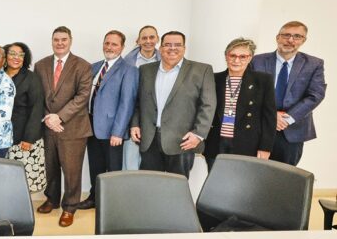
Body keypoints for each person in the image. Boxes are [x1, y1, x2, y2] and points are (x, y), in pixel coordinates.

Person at [130, 31, 216, 178]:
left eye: (177, 45)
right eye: (167, 45)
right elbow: (139, 102)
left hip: (181, 141)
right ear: (161, 48)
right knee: (149, 185)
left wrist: (199, 134)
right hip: (149, 140)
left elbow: (208, 105)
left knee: (177, 188)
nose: (172, 48)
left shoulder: (202, 70)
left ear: (184, 48)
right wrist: (135, 124)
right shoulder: (146, 70)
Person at [34, 26, 92, 228]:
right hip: (48, 127)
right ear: (52, 41)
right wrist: (48, 118)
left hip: (73, 128)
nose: (60, 43)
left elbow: (83, 96)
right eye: (56, 39)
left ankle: (69, 207)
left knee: (72, 170)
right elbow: (37, 95)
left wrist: (59, 117)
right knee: (50, 167)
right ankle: (52, 199)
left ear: (70, 41)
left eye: (64, 39)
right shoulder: (40, 65)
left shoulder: (83, 65)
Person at [251, 21, 326, 166]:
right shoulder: (257, 61)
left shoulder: (314, 64)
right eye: (286, 35)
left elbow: (316, 94)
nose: (290, 40)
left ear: (303, 40)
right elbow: (251, 92)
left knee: (284, 178)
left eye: (297, 36)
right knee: (254, 173)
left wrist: (287, 118)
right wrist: (272, 115)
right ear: (277, 37)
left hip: (292, 129)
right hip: (260, 127)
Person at [78, 30, 138, 210]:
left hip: (113, 130)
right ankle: (94, 198)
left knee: (112, 169)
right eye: (107, 43)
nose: (109, 47)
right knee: (95, 166)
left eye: (114, 44)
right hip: (91, 126)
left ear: (122, 47)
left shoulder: (129, 70)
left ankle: (112, 203)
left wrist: (118, 132)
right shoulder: (94, 67)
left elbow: (127, 103)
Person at [204, 38, 276, 170]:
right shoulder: (213, 79)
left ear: (250, 58)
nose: (236, 60)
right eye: (232, 55)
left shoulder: (263, 80)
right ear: (226, 56)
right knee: (215, 184)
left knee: (242, 186)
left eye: (242, 56)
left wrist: (265, 147)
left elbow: (269, 117)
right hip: (216, 142)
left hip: (247, 144)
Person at [3, 42, 45, 193]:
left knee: (23, 180)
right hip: (1, 138)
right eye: (12, 54)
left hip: (23, 138)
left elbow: (37, 108)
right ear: (5, 56)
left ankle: (21, 212)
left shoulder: (31, 77)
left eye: (21, 55)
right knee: (5, 179)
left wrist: (29, 138)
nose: (17, 58)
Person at [122, 25, 160, 170]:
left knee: (151, 164)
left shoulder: (166, 60)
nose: (148, 41)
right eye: (144, 38)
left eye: (152, 37)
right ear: (138, 41)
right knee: (130, 161)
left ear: (157, 39)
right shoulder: (127, 62)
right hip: (132, 117)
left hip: (155, 119)